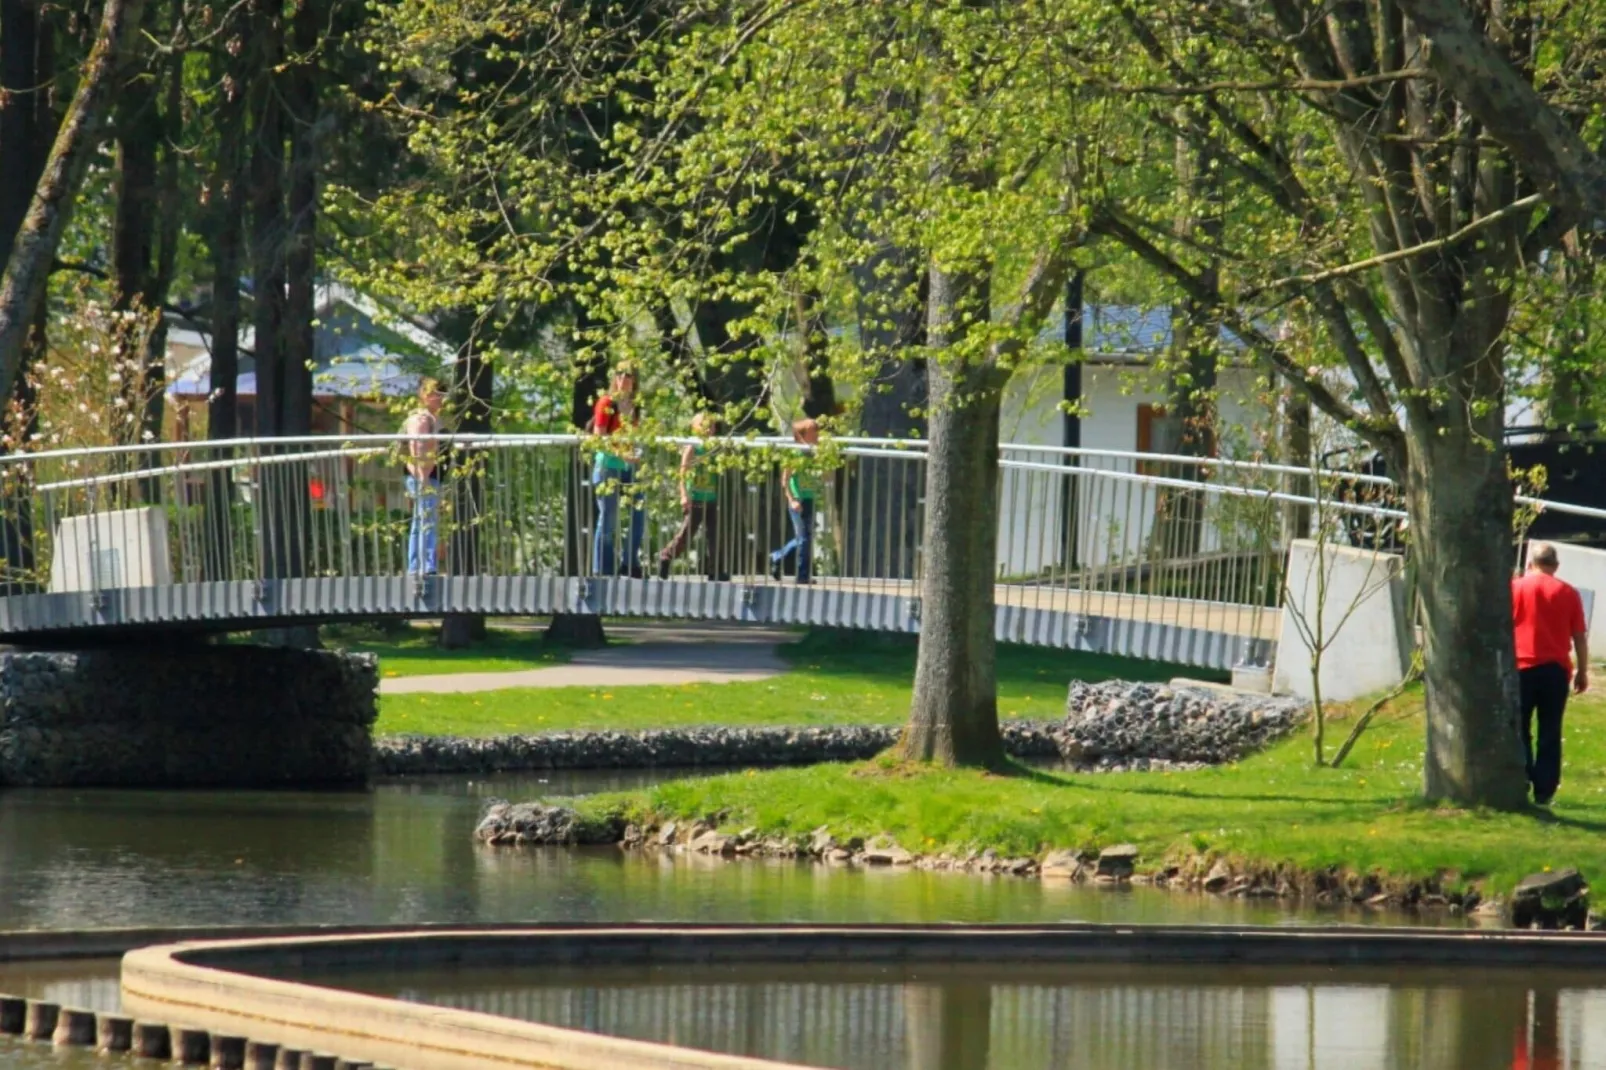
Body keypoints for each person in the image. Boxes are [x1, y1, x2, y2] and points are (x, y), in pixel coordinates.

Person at [1512, 541, 1589, 806]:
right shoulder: (1568, 593)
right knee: (1550, 730)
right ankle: (1544, 789)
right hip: (1555, 670)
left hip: (1521, 667)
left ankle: (1521, 774)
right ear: (1555, 566)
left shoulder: (1516, 587)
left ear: (1530, 564)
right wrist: (1583, 670)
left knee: (1519, 726)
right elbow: (1579, 636)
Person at [591, 367, 646, 577]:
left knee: (638, 513)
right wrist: (623, 454)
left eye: (628, 375)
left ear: (634, 380)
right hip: (607, 465)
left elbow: (637, 434)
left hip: (629, 466)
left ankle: (630, 563)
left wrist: (637, 452)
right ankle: (602, 569)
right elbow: (599, 437)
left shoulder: (635, 405)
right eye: (619, 374)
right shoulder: (606, 402)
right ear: (614, 378)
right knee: (609, 516)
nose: (623, 379)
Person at [657, 413, 721, 580]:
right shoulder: (692, 447)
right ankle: (666, 556)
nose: (708, 428)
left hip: (711, 496)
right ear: (694, 427)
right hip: (696, 497)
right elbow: (682, 473)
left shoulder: (714, 447)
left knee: (714, 534)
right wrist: (684, 495)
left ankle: (715, 569)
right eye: (703, 425)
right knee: (686, 533)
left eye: (711, 425)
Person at [769, 418, 821, 585]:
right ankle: (802, 575)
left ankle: (778, 556)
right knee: (803, 538)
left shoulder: (813, 453)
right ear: (802, 436)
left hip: (809, 498)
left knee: (805, 537)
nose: (817, 435)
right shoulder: (794, 454)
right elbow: (785, 480)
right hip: (797, 501)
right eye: (814, 432)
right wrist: (792, 499)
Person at [402, 379, 445, 576]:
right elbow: (417, 447)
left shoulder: (431, 418)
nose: (442, 398)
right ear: (426, 395)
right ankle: (424, 567)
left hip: (427, 476)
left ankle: (420, 565)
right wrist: (423, 478)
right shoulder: (421, 418)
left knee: (424, 520)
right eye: (438, 393)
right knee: (425, 521)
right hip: (423, 476)